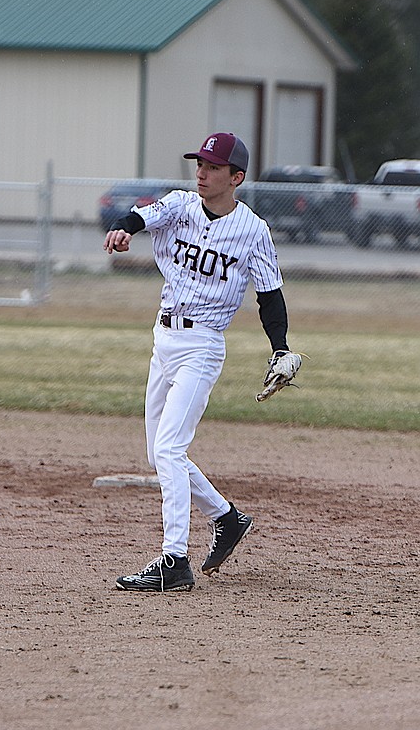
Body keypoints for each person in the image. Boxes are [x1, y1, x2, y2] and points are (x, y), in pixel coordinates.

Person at [102, 131, 292, 592]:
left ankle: (174, 561)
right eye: (200, 165)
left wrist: (280, 348)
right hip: (162, 339)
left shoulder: (252, 230)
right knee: (158, 453)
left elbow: (270, 296)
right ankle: (226, 519)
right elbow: (141, 216)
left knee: (168, 450)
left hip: (203, 346)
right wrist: (124, 228)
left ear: (236, 177)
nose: (202, 173)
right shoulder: (181, 205)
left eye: (212, 167)